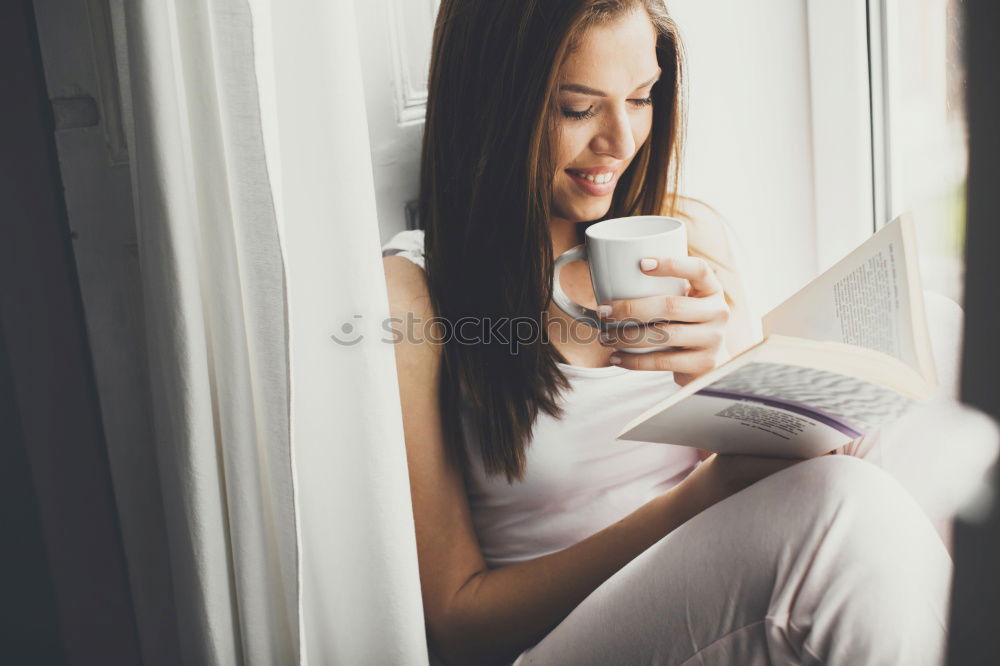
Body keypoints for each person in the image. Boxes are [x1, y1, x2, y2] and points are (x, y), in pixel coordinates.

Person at [380, 1, 995, 664]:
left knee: (940, 336)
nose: (619, 140)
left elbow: (770, 482)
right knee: (843, 506)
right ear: (495, 105)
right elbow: (456, 619)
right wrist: (698, 496)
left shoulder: (687, 238)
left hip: (719, 604)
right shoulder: (417, 293)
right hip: (554, 642)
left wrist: (725, 372)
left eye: (642, 97)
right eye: (577, 108)